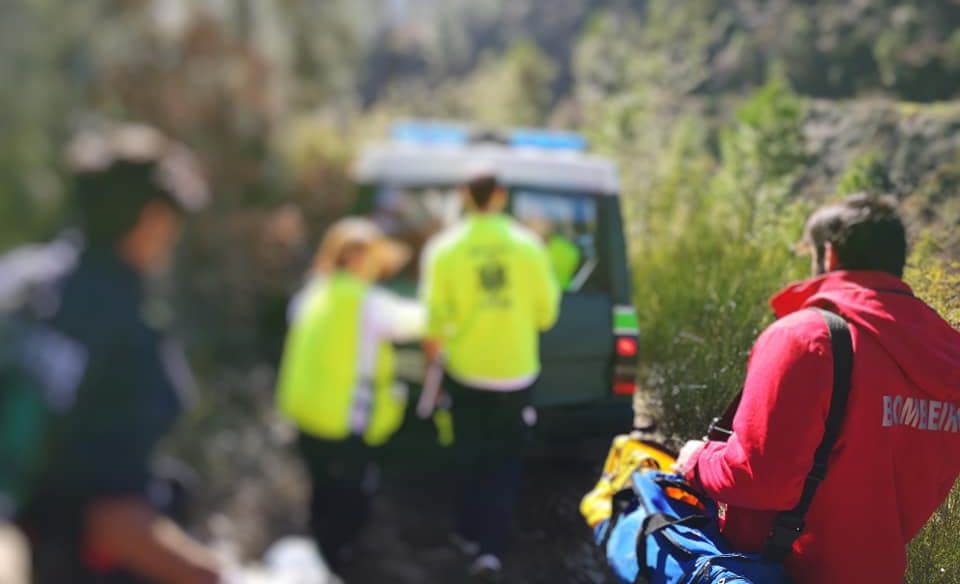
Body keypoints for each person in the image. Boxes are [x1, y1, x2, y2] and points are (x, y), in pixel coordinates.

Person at [673, 194, 960, 583]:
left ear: (829, 256)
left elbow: (761, 479)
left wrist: (697, 459)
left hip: (782, 572)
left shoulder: (807, 337)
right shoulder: (947, 354)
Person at [4, 124, 222, 583]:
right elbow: (116, 523)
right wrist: (213, 577)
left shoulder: (18, 286)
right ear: (152, 219)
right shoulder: (129, 339)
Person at [421, 169, 560, 578]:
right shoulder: (530, 246)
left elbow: (434, 323)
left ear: (464, 195)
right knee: (504, 461)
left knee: (467, 454)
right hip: (515, 374)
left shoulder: (444, 249)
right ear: (500, 196)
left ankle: (465, 534)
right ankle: (492, 548)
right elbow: (547, 315)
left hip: (465, 373)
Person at [275, 217, 424, 572]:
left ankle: (317, 554)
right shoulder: (368, 303)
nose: (381, 268)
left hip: (305, 414)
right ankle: (336, 562)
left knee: (321, 491)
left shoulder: (312, 292)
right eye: (376, 259)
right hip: (345, 422)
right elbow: (415, 321)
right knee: (351, 498)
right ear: (358, 260)